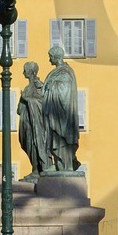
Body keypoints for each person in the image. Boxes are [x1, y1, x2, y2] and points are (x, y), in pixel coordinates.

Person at [42, 45, 82, 173]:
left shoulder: (65, 72)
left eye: (50, 57)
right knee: (54, 139)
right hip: (54, 113)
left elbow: (64, 90)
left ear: (55, 57)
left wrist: (51, 86)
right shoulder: (57, 72)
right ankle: (59, 164)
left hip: (62, 115)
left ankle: (65, 165)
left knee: (61, 139)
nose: (49, 60)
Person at [16, 61, 51, 178]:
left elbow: (43, 103)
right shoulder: (26, 88)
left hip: (37, 124)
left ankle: (37, 170)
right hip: (26, 122)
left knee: (36, 144)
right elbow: (19, 110)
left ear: (31, 71)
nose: (23, 72)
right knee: (29, 145)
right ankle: (35, 169)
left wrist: (27, 100)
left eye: (25, 70)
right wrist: (23, 101)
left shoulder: (39, 86)